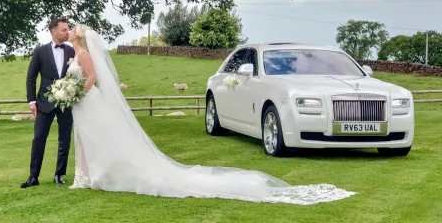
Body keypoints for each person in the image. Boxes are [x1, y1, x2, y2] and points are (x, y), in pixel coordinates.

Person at [65, 24, 355, 205]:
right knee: (86, 139)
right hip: (84, 103)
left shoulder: (84, 55)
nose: (69, 30)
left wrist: (75, 91)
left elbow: (90, 78)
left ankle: (90, 175)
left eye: (71, 28)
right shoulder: (76, 54)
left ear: (78, 36)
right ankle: (87, 176)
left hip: (87, 100)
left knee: (93, 138)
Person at [21, 18, 76, 188]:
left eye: (68, 29)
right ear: (53, 32)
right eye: (64, 30)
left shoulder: (72, 52)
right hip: (44, 102)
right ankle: (33, 176)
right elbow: (31, 77)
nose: (67, 32)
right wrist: (32, 101)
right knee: (38, 138)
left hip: (66, 102)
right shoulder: (40, 51)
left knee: (64, 138)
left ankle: (59, 174)